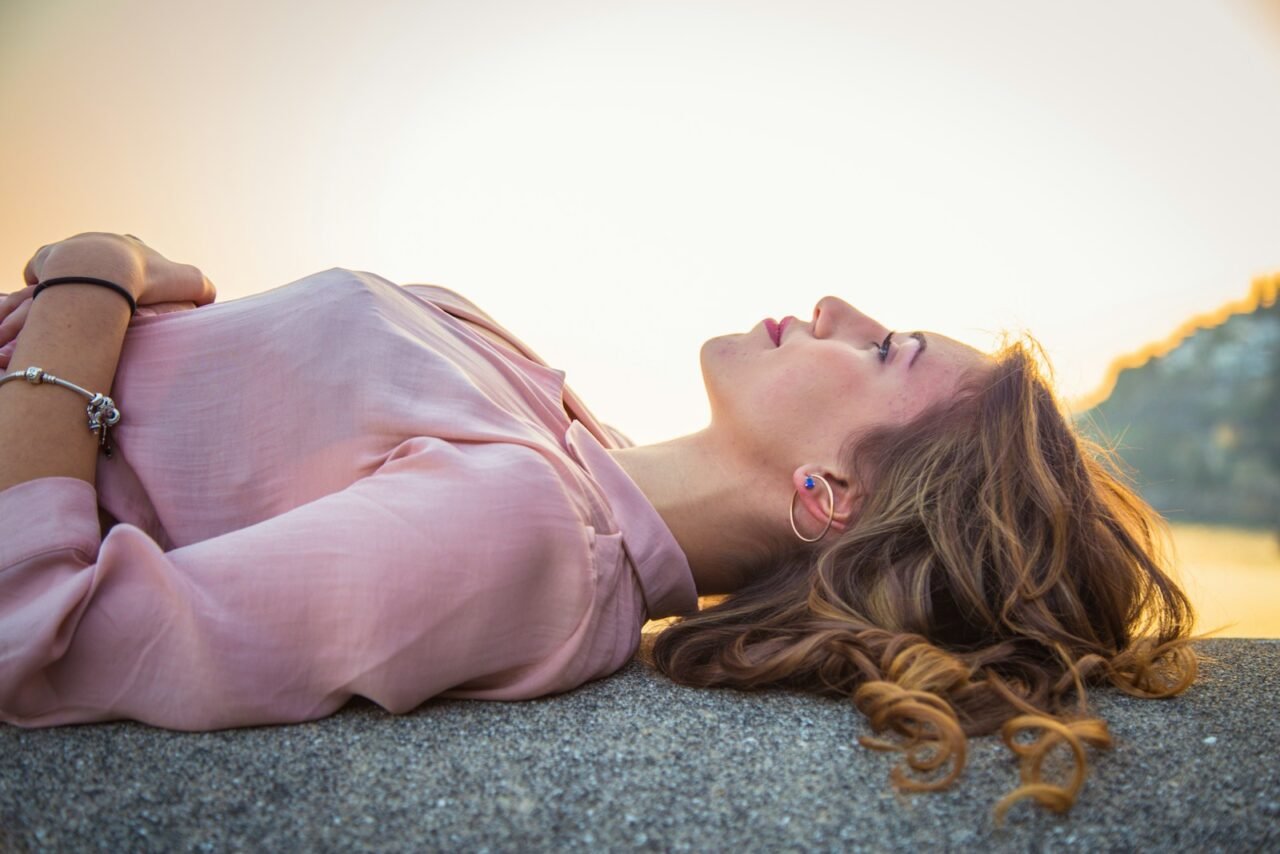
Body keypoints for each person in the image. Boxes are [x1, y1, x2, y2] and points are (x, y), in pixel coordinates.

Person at [0, 232, 1215, 825]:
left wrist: (92, 283)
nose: (840, 306)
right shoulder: (543, 416)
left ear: (831, 495)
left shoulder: (527, 531)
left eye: (882, 348)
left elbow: (40, 627)